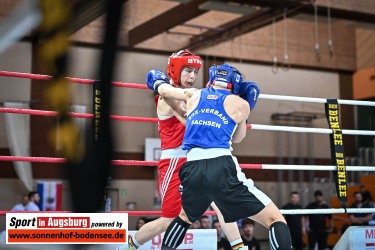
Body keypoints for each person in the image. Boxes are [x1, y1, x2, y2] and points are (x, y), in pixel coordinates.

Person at [147, 63, 292, 250]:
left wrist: (158, 82)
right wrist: (244, 113)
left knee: (184, 217)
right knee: (275, 219)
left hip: (191, 167)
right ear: (235, 82)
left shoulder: (194, 94)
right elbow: (238, 138)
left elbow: (165, 91)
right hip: (221, 165)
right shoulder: (241, 103)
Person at [129, 51, 245, 250]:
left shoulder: (194, 95)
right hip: (174, 162)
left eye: (195, 71)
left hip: (198, 159)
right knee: (168, 220)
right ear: (175, 70)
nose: (192, 76)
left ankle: (239, 247)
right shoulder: (167, 96)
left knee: (223, 205)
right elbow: (187, 117)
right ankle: (128, 247)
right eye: (188, 70)